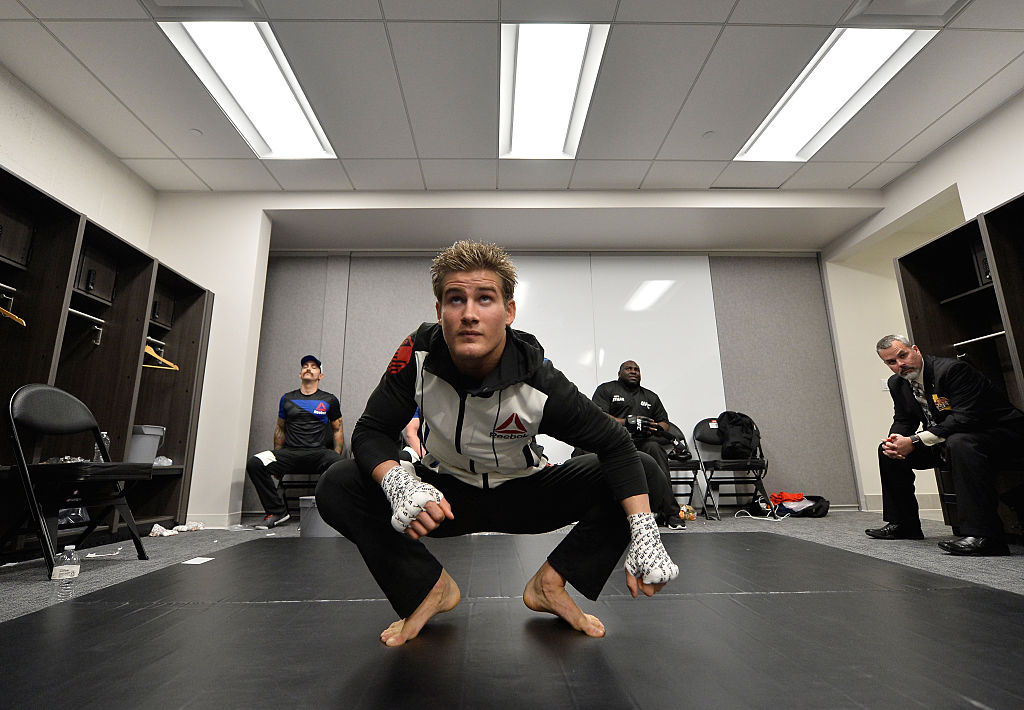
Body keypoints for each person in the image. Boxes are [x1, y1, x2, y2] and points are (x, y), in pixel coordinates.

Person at [316, 240, 678, 647]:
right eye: (456, 299)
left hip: (526, 493)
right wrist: (398, 482)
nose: (469, 314)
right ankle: (427, 589)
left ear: (508, 312)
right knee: (338, 483)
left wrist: (645, 532)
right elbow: (370, 431)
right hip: (442, 499)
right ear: (439, 312)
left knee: (642, 470)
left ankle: (551, 584)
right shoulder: (416, 356)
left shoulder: (540, 379)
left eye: (484, 298)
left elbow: (615, 445)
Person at [866, 334, 1024, 556]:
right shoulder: (898, 383)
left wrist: (914, 440)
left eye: (903, 355)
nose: (900, 364)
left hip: (1001, 436)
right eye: (891, 362)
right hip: (949, 438)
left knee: (960, 442)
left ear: (915, 349)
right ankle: (904, 524)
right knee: (887, 451)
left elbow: (965, 418)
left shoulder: (953, 370)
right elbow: (904, 419)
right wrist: (895, 441)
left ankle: (986, 537)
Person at [246, 355, 344, 528]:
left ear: (320, 376)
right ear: (300, 374)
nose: (308, 368)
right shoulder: (287, 398)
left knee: (343, 466)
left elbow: (337, 430)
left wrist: (336, 456)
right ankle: (278, 512)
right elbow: (280, 429)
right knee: (255, 463)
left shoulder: (329, 399)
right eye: (305, 366)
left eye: (314, 367)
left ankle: (332, 514)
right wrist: (277, 455)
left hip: (319, 454)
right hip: (290, 453)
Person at [592, 361, 685, 529]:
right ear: (619, 373)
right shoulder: (606, 389)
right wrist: (626, 422)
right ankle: (586, 510)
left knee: (656, 449)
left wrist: (654, 428)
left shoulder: (650, 396)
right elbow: (598, 415)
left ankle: (670, 513)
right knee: (583, 450)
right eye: (629, 369)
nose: (633, 372)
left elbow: (665, 423)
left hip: (642, 442)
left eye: (637, 369)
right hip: (614, 441)